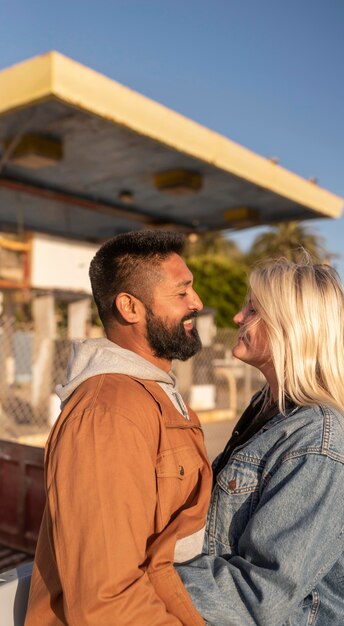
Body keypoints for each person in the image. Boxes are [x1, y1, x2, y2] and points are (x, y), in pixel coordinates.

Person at [177, 257, 344, 626]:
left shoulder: (320, 444)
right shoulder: (268, 408)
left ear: (290, 326)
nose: (237, 318)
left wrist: (132, 583)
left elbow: (259, 594)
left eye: (252, 309)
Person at [25, 230, 212, 626]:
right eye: (182, 293)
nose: (197, 303)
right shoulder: (107, 414)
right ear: (130, 307)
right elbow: (106, 602)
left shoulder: (150, 395)